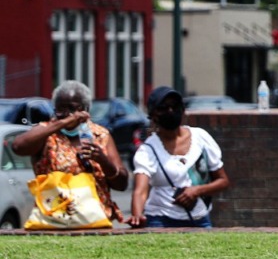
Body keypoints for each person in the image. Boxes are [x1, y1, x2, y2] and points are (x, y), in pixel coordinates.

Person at [12, 80, 128, 222]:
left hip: (95, 220)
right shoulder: (46, 133)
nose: (67, 114)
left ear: (85, 109)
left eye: (72, 108)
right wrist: (62, 123)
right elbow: (18, 147)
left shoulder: (100, 135)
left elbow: (122, 184)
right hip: (55, 220)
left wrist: (103, 161)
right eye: (61, 109)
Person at [128, 86, 230, 229]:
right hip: (161, 219)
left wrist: (197, 190)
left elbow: (223, 181)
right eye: (163, 107)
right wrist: (137, 215)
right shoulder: (148, 150)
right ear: (153, 115)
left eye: (175, 106)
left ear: (182, 110)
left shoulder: (201, 137)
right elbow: (140, 190)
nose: (170, 111)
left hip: (199, 218)